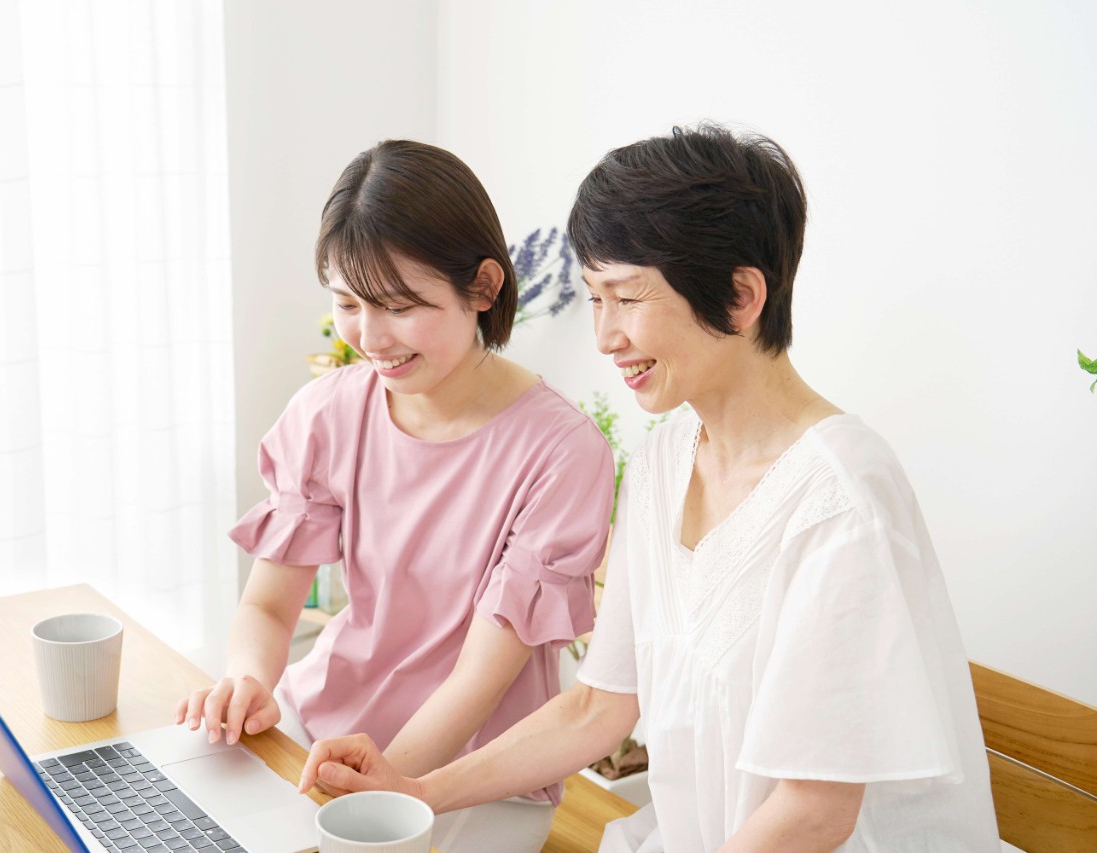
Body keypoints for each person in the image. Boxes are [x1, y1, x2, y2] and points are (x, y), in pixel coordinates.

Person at [298, 125, 1002, 852]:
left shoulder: (841, 498)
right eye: (593, 298)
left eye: (626, 298)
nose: (604, 336)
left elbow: (816, 813)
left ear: (739, 296)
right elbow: (597, 708)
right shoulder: (665, 459)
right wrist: (416, 790)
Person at [174, 140, 615, 852]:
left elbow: (479, 679)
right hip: (320, 723)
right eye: (348, 303)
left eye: (400, 306)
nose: (370, 338)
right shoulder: (327, 412)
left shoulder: (564, 453)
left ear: (483, 286)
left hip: (474, 774)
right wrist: (249, 677)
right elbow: (266, 603)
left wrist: (389, 782)